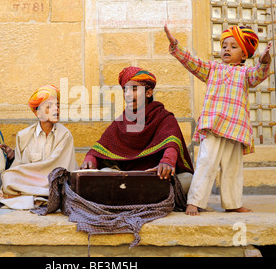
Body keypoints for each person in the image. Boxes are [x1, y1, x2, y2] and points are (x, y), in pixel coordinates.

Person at [164, 22, 272, 215]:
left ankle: (233, 203)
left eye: (233, 46)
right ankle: (195, 202)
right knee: (206, 162)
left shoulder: (246, 74)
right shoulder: (212, 69)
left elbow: (258, 75)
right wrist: (176, 46)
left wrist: (264, 62)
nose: (226, 49)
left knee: (233, 167)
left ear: (244, 54)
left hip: (236, 128)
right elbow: (193, 63)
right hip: (214, 125)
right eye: (224, 46)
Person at [81, 66, 194, 195]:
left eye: (134, 89)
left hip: (156, 180)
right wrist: (90, 160)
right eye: (125, 90)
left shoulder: (164, 118)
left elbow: (172, 145)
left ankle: (130, 197)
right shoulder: (120, 122)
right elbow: (99, 148)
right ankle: (138, 196)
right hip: (126, 180)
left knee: (188, 180)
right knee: (106, 172)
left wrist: (167, 162)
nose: (128, 94)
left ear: (148, 93)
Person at [0, 85, 78, 209]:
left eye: (57, 105)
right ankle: (40, 195)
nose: (56, 109)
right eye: (49, 106)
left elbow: (60, 167)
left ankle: (36, 195)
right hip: (31, 180)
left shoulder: (65, 135)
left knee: (65, 185)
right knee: (7, 177)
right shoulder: (23, 135)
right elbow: (20, 166)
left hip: (55, 181)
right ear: (38, 113)